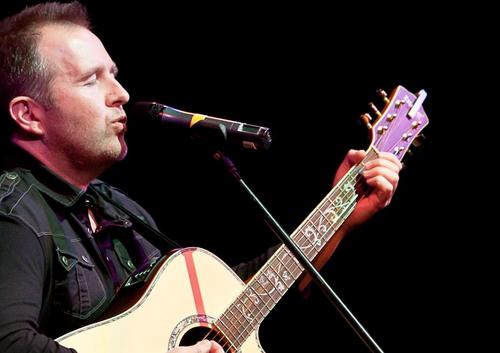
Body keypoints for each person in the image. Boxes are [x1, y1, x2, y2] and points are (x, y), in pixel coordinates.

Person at [0, 2, 402, 353]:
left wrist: (339, 212)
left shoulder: (119, 209)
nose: (120, 93)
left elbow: (231, 305)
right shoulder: (15, 214)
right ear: (29, 115)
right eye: (91, 80)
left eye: (114, 74)